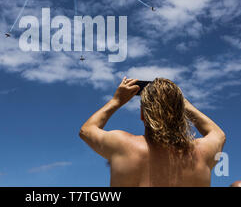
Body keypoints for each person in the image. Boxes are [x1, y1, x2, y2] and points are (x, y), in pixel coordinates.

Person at [79, 77, 226, 187]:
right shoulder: (202, 153)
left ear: (143, 114)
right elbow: (218, 134)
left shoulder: (123, 145)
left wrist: (116, 101)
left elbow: (86, 130)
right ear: (181, 113)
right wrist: (184, 104)